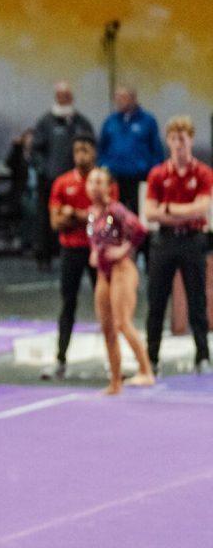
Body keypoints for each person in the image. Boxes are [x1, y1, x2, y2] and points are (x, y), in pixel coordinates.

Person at [143, 115, 212, 375]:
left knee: (197, 300)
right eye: (173, 140)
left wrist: (169, 208)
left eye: (182, 139)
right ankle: (151, 357)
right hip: (164, 241)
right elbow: (149, 212)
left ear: (191, 140)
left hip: (193, 240)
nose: (178, 145)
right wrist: (181, 212)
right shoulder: (158, 174)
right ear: (168, 142)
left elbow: (201, 209)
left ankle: (202, 356)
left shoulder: (203, 173)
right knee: (157, 300)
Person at [46, 133, 115, 379]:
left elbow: (107, 218)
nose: (81, 155)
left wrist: (73, 214)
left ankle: (112, 361)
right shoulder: (63, 183)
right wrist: (85, 216)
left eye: (85, 150)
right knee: (68, 303)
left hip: (98, 251)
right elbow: (56, 222)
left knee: (106, 305)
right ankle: (61, 359)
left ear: (94, 152)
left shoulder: (105, 182)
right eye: (77, 151)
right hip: (72, 250)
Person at [85, 168, 153, 395]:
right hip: (104, 273)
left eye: (99, 182)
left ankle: (146, 370)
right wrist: (95, 252)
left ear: (108, 186)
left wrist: (123, 249)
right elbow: (95, 238)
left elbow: (140, 230)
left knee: (122, 322)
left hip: (122, 269)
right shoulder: (92, 213)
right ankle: (115, 381)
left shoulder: (115, 209)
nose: (94, 186)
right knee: (107, 327)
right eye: (91, 181)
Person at [32, 81, 94, 269]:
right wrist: (44, 169)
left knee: (82, 216)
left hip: (79, 179)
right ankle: (45, 257)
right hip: (52, 179)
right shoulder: (45, 122)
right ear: (56, 97)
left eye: (67, 95)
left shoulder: (81, 122)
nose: (64, 98)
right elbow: (36, 149)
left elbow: (91, 144)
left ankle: (84, 253)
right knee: (48, 218)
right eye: (61, 95)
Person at [98, 86, 165, 214]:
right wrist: (104, 167)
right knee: (114, 215)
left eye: (122, 98)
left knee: (139, 214)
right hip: (115, 179)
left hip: (139, 179)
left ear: (133, 98)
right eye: (116, 98)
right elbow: (102, 149)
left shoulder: (148, 121)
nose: (118, 101)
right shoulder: (110, 121)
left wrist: (153, 174)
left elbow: (157, 151)